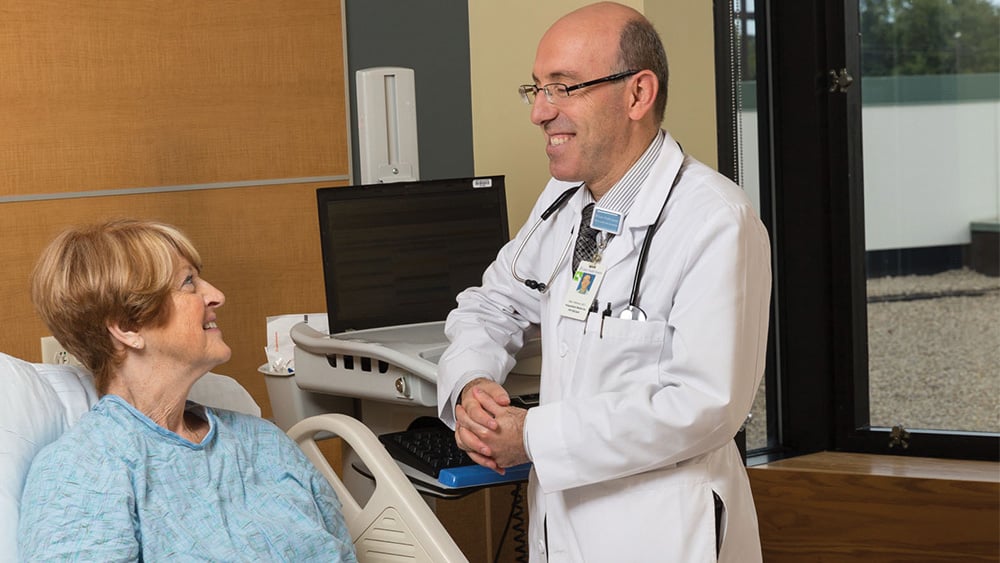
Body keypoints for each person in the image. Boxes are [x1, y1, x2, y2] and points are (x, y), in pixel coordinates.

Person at [436, 3, 771, 561]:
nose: (539, 112)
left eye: (563, 87)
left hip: (661, 533)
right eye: (537, 88)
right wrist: (472, 384)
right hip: (563, 526)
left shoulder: (715, 221)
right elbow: (493, 306)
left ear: (638, 94)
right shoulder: (567, 201)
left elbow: (704, 405)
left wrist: (532, 436)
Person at [19, 219, 357, 562]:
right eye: (188, 282)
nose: (217, 296)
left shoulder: (264, 443)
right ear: (127, 326)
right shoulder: (82, 471)